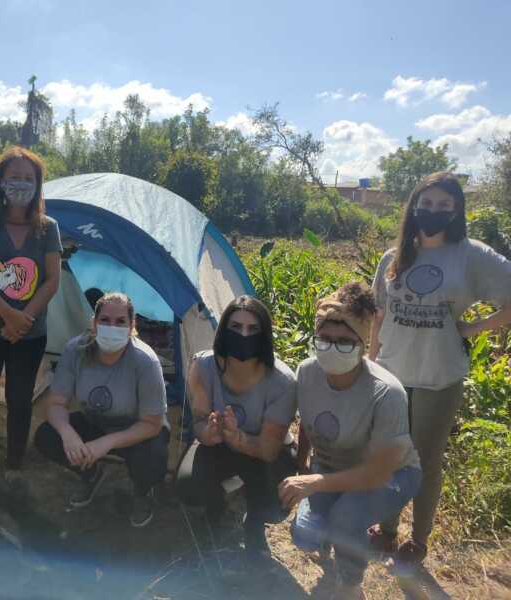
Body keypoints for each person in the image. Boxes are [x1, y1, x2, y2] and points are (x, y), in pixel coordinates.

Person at [367, 172, 511, 564]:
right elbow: (379, 315)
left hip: (438, 376)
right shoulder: (394, 256)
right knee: (392, 455)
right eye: (426, 204)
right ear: (414, 206)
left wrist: (473, 326)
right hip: (393, 375)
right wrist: (370, 361)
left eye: (444, 206)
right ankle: (387, 528)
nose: (433, 212)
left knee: (426, 462)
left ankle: (419, 538)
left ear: (456, 211)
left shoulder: (471, 254)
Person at [281, 283, 422, 599]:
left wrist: (315, 482)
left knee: (347, 517)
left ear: (362, 344)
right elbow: (306, 422)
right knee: (305, 536)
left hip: (391, 476)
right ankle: (337, 532)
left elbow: (376, 473)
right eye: (326, 339)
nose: (333, 347)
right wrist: (303, 465)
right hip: (331, 468)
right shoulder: (307, 372)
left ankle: (350, 585)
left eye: (345, 342)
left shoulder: (386, 392)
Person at [174, 295, 297, 558]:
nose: (244, 334)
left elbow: (268, 450)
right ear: (222, 331)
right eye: (236, 327)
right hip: (220, 446)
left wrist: (238, 438)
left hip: (262, 449)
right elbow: (198, 420)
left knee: (278, 505)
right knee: (188, 486)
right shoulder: (203, 365)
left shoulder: (283, 381)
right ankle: (216, 507)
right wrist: (209, 433)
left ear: (265, 335)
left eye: (253, 329)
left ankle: (254, 521)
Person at [0, 146, 63, 471]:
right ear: (1, 181)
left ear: (37, 184)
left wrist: (24, 319)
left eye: (28, 178)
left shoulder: (48, 227)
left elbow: (51, 281)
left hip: (30, 333)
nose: (21, 183)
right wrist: (10, 315)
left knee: (21, 401)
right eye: (14, 177)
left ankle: (14, 466)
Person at [34, 292, 170, 528]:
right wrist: (68, 434)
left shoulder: (146, 361)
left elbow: (153, 423)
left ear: (132, 326)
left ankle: (142, 492)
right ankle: (90, 474)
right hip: (94, 422)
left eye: (120, 322)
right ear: (94, 323)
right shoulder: (75, 350)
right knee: (47, 436)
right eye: (105, 320)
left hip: (137, 429)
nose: (112, 327)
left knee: (152, 458)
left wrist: (106, 443)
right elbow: (56, 403)